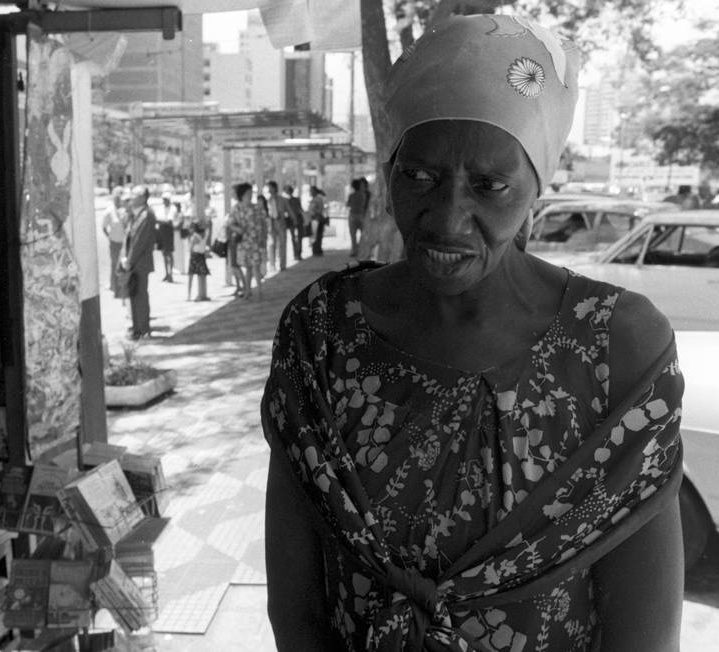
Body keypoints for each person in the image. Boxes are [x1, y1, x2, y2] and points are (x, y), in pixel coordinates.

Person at [262, 13, 684, 652]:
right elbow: (296, 608)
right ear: (390, 169)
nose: (449, 218)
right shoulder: (324, 333)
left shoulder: (614, 346)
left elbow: (643, 636)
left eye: (489, 185)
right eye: (420, 177)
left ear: (535, 186)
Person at [120, 185, 156, 340]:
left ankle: (142, 329)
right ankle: (137, 328)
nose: (131, 199)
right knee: (134, 295)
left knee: (140, 296)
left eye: (133, 196)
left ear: (142, 197)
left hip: (139, 263)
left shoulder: (145, 215)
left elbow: (139, 242)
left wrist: (129, 260)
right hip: (135, 262)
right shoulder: (137, 214)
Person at [228, 184, 267, 300]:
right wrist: (238, 229)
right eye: (248, 194)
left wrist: (263, 238)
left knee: (255, 266)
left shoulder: (257, 208)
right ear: (242, 195)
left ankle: (259, 292)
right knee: (249, 267)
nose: (250, 196)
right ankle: (248, 290)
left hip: (256, 241)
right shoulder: (236, 208)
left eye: (251, 193)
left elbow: (264, 223)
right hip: (244, 242)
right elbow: (230, 223)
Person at [101, 187, 127, 291]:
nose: (118, 200)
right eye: (116, 198)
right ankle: (113, 285)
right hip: (114, 242)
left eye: (120, 198)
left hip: (124, 242)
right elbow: (104, 227)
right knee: (114, 264)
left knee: (123, 264)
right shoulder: (109, 211)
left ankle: (122, 285)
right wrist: (109, 237)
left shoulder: (124, 210)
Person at [265, 181, 289, 271]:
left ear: (274, 188)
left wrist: (294, 219)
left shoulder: (282, 199)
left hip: (281, 223)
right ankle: (272, 265)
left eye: (270, 187)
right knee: (272, 245)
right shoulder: (268, 200)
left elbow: (288, 210)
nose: (269, 190)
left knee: (282, 245)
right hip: (272, 224)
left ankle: (283, 265)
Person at [155, 192, 178, 282]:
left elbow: (169, 221)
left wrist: (160, 221)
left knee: (169, 253)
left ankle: (170, 273)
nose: (164, 201)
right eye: (163, 199)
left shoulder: (173, 208)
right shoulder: (160, 209)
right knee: (163, 253)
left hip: (168, 231)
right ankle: (166, 273)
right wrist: (161, 221)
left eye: (166, 199)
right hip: (161, 231)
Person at [185, 223, 211, 302]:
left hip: (194, 256)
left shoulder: (195, 236)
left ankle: (190, 295)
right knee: (202, 276)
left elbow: (190, 248)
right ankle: (202, 294)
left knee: (191, 276)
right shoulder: (204, 236)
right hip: (201, 256)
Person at [346, 177, 370, 256]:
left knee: (353, 235)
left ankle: (355, 251)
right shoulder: (364, 195)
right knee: (363, 234)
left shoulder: (352, 195)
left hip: (352, 216)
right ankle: (360, 250)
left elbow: (348, 204)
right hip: (362, 216)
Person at [282, 184, 305, 261]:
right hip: (294, 220)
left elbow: (299, 209)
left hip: (295, 220)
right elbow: (300, 209)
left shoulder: (288, 201)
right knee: (297, 238)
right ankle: (297, 254)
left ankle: (297, 254)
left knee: (296, 238)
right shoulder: (293, 200)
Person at [307, 186, 327, 256]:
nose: (310, 192)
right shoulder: (314, 199)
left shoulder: (318, 199)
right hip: (314, 219)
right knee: (315, 235)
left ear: (315, 191)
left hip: (317, 219)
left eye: (311, 191)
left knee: (317, 236)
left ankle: (317, 250)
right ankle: (316, 250)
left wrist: (314, 211)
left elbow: (320, 210)